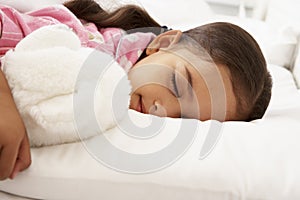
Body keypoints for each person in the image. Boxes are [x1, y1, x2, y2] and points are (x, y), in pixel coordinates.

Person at [0, 0, 272, 180]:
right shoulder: (81, 42)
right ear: (162, 44)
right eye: (176, 85)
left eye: (185, 120)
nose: (162, 110)